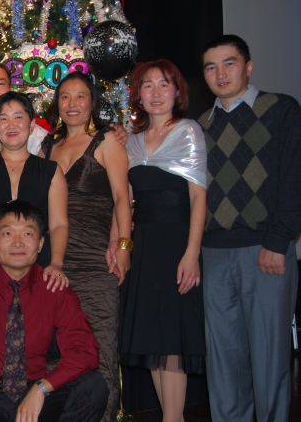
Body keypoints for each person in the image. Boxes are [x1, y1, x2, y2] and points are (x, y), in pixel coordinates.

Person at [197, 35, 300, 422]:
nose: (220, 73)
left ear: (249, 66)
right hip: (213, 255)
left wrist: (279, 239)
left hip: (266, 251)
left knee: (270, 359)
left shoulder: (281, 109)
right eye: (211, 67)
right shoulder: (199, 126)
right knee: (223, 362)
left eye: (230, 63)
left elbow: (294, 178)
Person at [0, 200, 108, 422]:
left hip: (35, 392)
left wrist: (42, 388)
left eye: (28, 234)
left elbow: (85, 350)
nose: (17, 242)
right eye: (7, 233)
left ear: (40, 244)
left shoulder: (53, 285)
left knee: (93, 386)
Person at [118, 59, 207, 422]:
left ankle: (173, 418)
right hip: (144, 247)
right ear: (138, 95)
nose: (156, 93)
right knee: (152, 338)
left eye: (164, 84)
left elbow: (199, 198)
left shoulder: (188, 131)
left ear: (176, 91)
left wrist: (192, 254)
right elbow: (124, 202)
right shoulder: (131, 142)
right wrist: (120, 245)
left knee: (172, 335)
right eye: (148, 85)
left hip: (176, 244)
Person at [40, 71, 132, 422]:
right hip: (54, 262)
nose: (72, 103)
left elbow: (123, 198)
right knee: (57, 352)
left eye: (81, 96)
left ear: (92, 102)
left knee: (100, 348)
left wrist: (123, 245)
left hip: (96, 260)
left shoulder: (106, 141)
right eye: (65, 96)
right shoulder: (47, 147)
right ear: (57, 103)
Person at [0, 91, 69, 290]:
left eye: (18, 117)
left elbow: (59, 224)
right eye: (3, 119)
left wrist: (56, 263)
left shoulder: (52, 171)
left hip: (38, 267)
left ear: (32, 125)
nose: (11, 125)